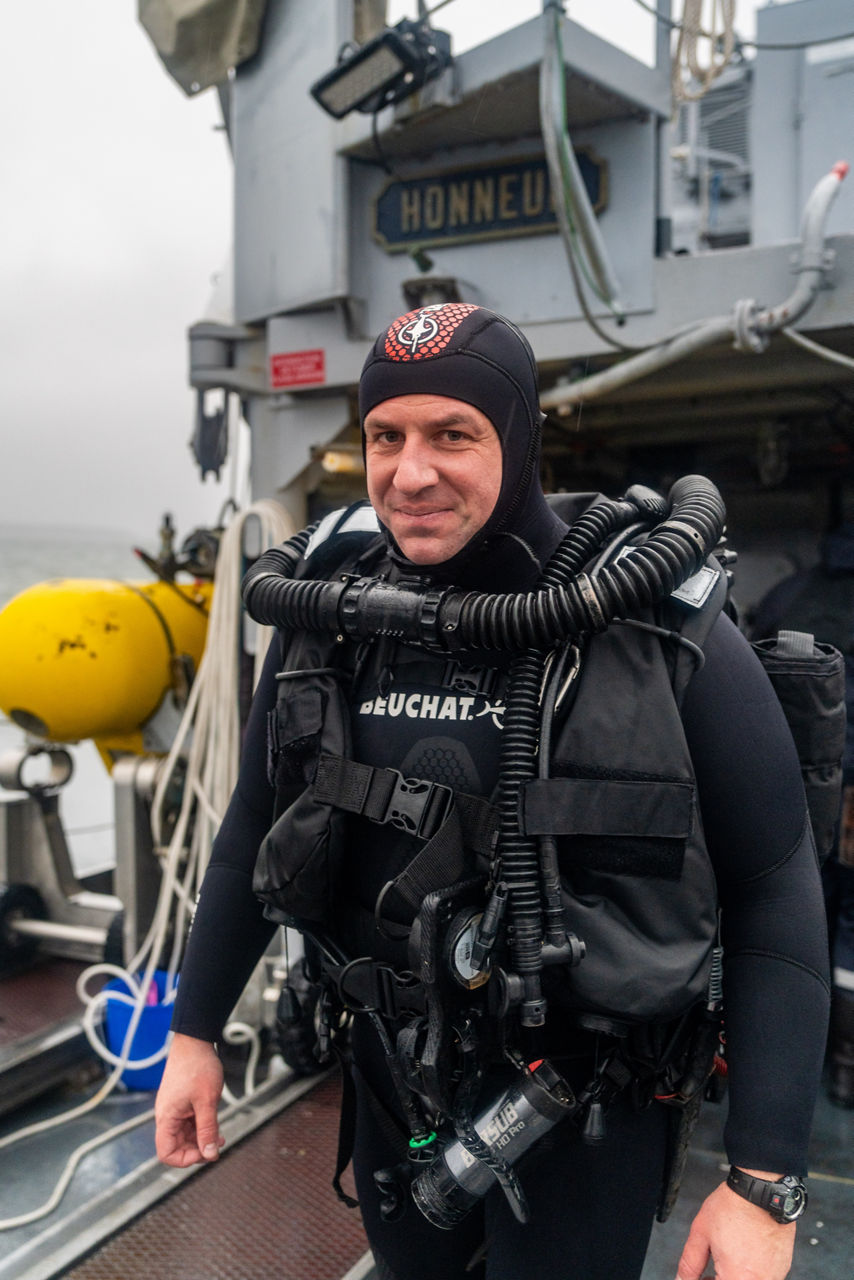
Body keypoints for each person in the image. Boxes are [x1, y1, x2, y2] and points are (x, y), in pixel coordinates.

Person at [155, 303, 829, 1280]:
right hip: (396, 1074)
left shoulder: (654, 621)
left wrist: (763, 1180)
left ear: (514, 437)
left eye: (450, 434)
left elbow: (775, 883)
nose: (409, 471)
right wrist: (194, 1030)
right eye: (385, 435)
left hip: (585, 1098)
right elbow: (254, 819)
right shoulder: (330, 610)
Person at [751, 523, 854, 1107]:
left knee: (793, 906)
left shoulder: (789, 596)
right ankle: (846, 1071)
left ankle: (790, 1057)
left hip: (798, 784)